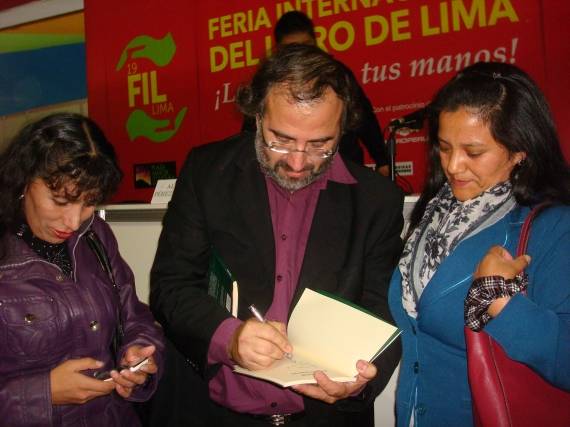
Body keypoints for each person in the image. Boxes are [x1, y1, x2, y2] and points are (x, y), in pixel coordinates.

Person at [148, 43, 404, 427]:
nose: (298, 162)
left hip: (323, 419)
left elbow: (384, 310)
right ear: (257, 117)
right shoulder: (208, 172)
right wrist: (227, 338)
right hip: (213, 413)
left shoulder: (376, 201)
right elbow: (171, 285)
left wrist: (359, 382)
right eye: (280, 140)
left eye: (319, 145)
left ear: (341, 129)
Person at [388, 61, 570, 426]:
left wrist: (501, 301)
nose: (454, 166)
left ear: (519, 150)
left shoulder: (552, 227)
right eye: (444, 147)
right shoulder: (436, 211)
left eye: (473, 152)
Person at [0, 113, 166, 426]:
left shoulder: (95, 235)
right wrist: (43, 393)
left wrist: (140, 357)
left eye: (89, 203)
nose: (74, 222)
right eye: (60, 201)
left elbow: (134, 317)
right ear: (24, 179)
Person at [241, 10, 390, 176]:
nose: (301, 53)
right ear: (279, 48)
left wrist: (382, 159)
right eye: (292, 48)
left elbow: (365, 119)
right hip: (286, 170)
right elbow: (248, 133)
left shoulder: (338, 74)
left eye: (306, 45)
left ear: (314, 41)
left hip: (342, 164)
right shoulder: (269, 80)